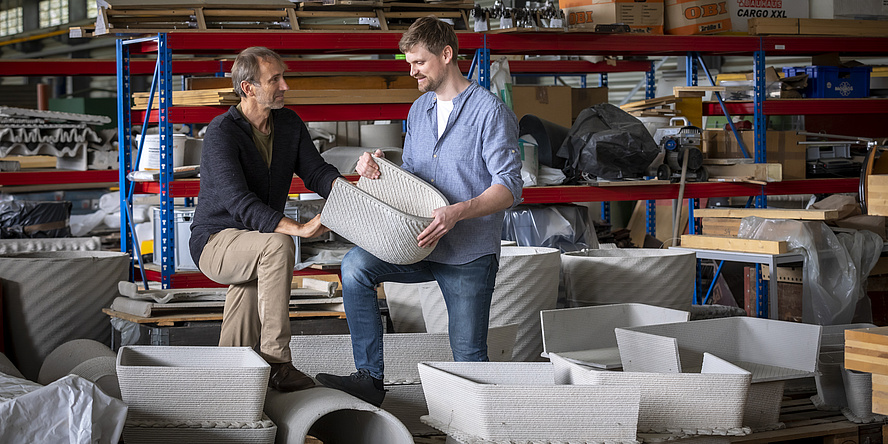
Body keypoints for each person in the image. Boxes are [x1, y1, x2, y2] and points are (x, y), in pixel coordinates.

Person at [316, 16, 523, 406]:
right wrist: (377, 171)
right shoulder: (418, 110)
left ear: (446, 55)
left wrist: (457, 212)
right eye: (408, 62)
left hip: (467, 253)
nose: (411, 71)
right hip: (416, 246)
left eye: (419, 62)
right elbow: (412, 180)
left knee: (469, 359)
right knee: (355, 267)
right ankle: (369, 378)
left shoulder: (489, 112)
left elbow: (510, 188)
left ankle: (481, 427)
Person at [189, 46, 341, 392]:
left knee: (251, 290)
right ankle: (277, 362)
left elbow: (317, 171)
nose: (285, 85)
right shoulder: (222, 132)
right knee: (278, 244)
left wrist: (348, 195)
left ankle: (229, 380)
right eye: (275, 79)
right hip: (215, 240)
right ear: (249, 88)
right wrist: (299, 229)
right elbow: (238, 202)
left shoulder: (288, 123)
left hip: (254, 241)